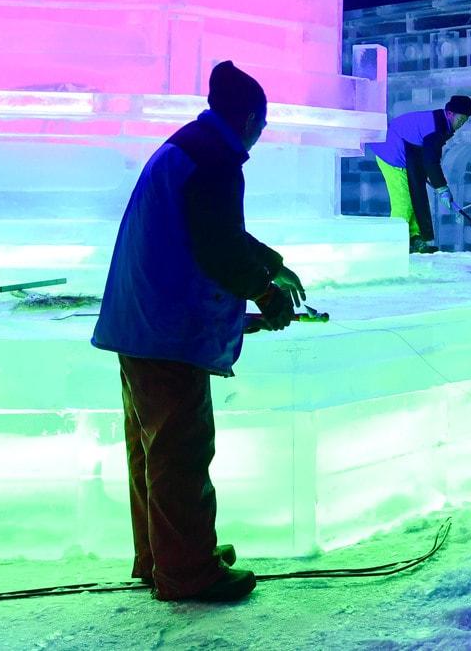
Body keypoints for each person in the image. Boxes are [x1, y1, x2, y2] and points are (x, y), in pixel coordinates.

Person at [92, 60, 307, 603]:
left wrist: (271, 263)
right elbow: (217, 247)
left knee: (153, 450)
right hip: (164, 332)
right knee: (180, 453)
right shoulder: (215, 159)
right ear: (252, 118)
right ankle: (189, 572)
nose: (261, 136)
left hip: (142, 323)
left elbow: (217, 232)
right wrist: (266, 292)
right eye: (263, 124)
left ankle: (165, 554)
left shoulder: (191, 147)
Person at [369, 95, 471, 253]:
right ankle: (393, 245)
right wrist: (442, 189)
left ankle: (415, 239)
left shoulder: (440, 123)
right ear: (450, 113)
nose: (461, 124)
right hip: (392, 153)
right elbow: (431, 161)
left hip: (407, 152)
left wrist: (432, 181)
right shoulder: (436, 128)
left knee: (416, 196)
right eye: (461, 119)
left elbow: (427, 156)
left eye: (465, 120)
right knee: (404, 203)